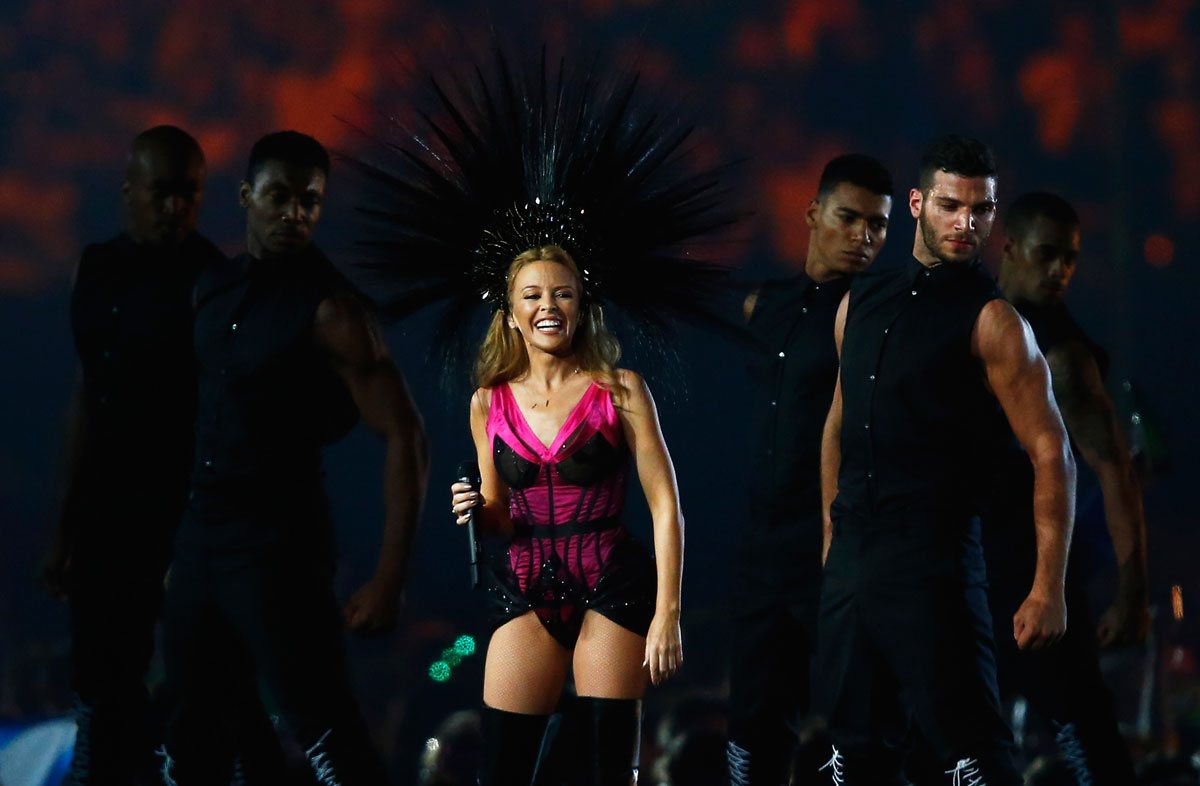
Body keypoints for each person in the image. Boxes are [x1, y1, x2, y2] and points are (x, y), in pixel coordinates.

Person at [159, 131, 429, 785]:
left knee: (324, 728)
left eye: (310, 201)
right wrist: (178, 550)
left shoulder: (332, 311)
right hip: (202, 542)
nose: (295, 213)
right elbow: (199, 425)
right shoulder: (214, 290)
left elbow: (406, 436)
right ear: (248, 197)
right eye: (279, 197)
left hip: (278, 546)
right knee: (193, 732)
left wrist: (390, 580)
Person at [815, 134, 1075, 785]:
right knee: (854, 752)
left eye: (981, 210)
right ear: (916, 204)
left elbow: (1052, 451)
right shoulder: (859, 301)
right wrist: (831, 538)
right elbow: (838, 426)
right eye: (951, 206)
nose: (967, 223)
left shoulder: (994, 322)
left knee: (973, 755)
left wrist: (1049, 587)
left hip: (933, 562)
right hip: (854, 560)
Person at [449, 245, 683, 784]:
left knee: (607, 770)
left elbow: (664, 503)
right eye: (531, 295)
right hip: (524, 587)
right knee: (501, 771)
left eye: (562, 293)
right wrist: (474, 511)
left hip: (610, 582)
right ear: (510, 313)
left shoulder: (621, 389)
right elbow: (499, 518)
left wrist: (666, 613)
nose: (547, 305)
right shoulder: (487, 401)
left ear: (582, 307)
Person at [48, 125, 220, 785]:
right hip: (110, 503)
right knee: (101, 663)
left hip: (178, 503)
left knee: (175, 666)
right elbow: (87, 395)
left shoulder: (211, 279)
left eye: (188, 193)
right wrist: (63, 528)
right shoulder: (100, 269)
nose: (175, 207)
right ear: (130, 192)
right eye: (162, 192)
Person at [726, 153, 894, 786]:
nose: (863, 235)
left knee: (859, 716)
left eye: (877, 225)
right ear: (813, 214)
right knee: (755, 721)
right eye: (849, 218)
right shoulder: (759, 304)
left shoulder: (878, 318)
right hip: (758, 547)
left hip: (835, 542)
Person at [986, 191, 1149, 783]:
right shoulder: (975, 317)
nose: (1061, 270)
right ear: (1010, 248)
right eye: (1048, 254)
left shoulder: (1063, 354)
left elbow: (1116, 470)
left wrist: (1133, 593)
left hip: (1037, 570)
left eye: (1071, 258)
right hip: (969, 561)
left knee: (1082, 728)